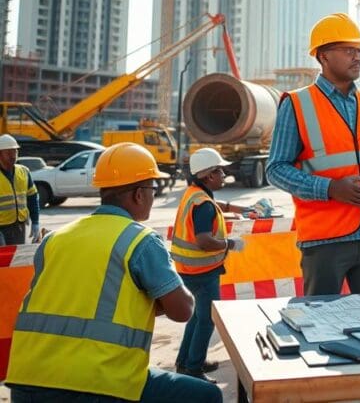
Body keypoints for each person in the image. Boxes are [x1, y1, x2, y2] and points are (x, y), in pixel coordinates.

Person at [5, 142, 222, 403]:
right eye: (153, 189)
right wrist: (153, 301)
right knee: (208, 395)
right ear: (139, 195)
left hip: (26, 382)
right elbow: (183, 310)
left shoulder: (55, 239)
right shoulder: (140, 241)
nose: (153, 196)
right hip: (98, 384)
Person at [266, 13, 360, 296]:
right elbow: (275, 169)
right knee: (321, 319)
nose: (357, 57)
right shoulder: (297, 103)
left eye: (359, 50)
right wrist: (330, 188)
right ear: (323, 56)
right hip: (324, 240)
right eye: (348, 50)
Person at [171, 148, 245, 382]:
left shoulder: (194, 193)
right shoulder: (202, 203)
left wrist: (241, 209)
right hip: (202, 272)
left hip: (188, 270)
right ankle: (193, 369)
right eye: (220, 171)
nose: (224, 175)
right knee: (206, 320)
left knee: (197, 317)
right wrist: (230, 244)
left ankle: (186, 361)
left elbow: (214, 206)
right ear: (209, 175)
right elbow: (204, 241)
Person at [0, 134, 41, 246]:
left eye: (15, 152)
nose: (13, 156)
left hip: (19, 227)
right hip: (1, 227)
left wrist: (35, 222)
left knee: (17, 256)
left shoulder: (24, 171)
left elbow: (33, 198)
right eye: (8, 152)